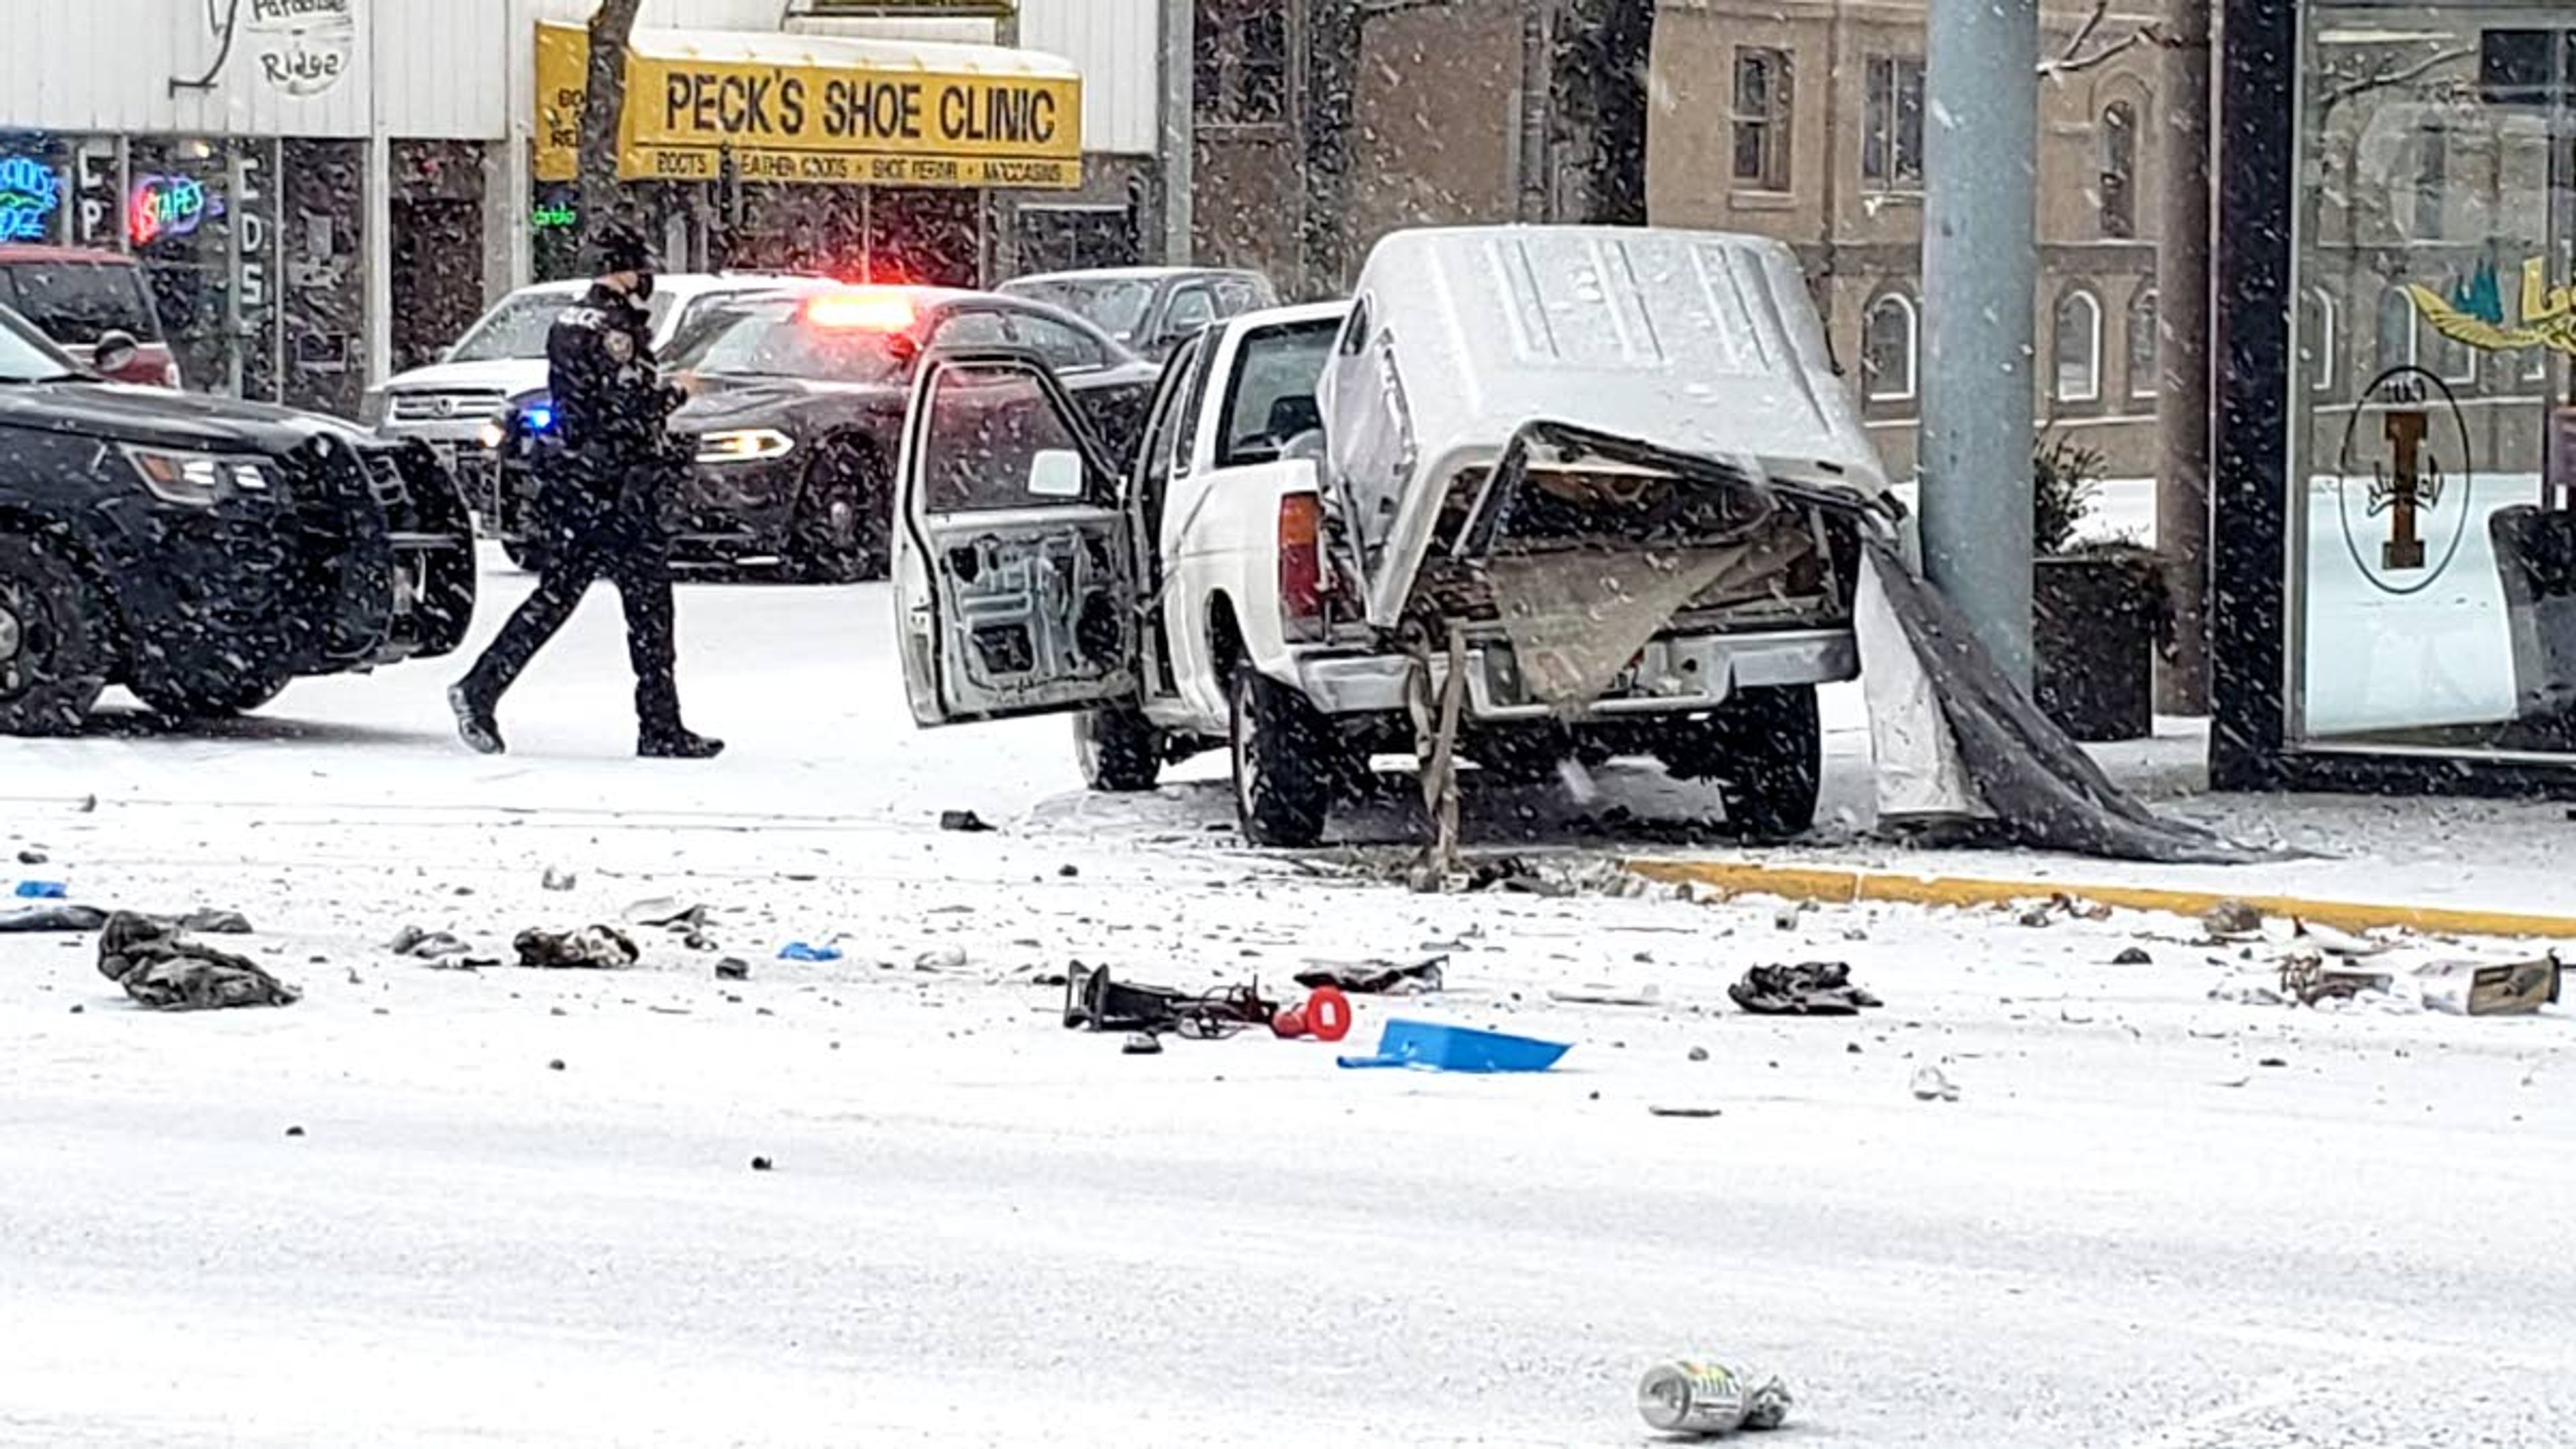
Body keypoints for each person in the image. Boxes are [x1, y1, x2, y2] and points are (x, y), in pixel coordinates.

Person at [448, 226, 723, 760]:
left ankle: (485, 688)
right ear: (625, 271)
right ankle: (657, 725)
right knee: (641, 610)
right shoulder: (611, 329)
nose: (648, 280)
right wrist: (676, 393)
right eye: (642, 269)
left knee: (569, 600)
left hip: (586, 486)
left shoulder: (573, 320)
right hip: (613, 489)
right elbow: (625, 408)